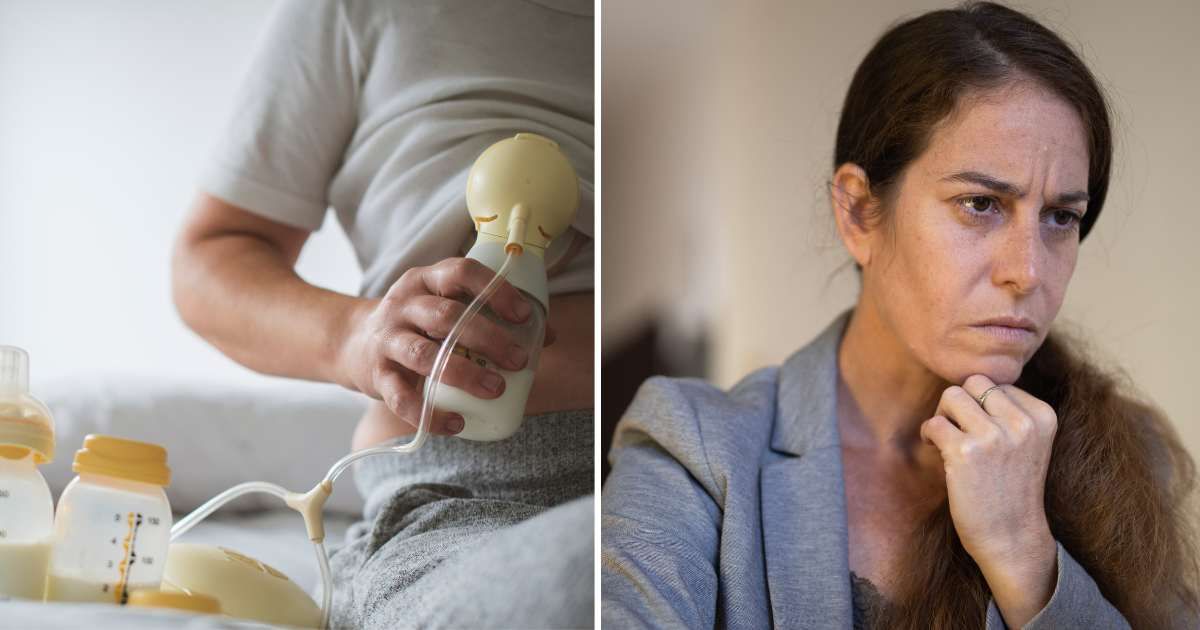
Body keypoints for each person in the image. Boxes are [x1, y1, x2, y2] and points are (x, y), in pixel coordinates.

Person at [601, 2, 1199, 629]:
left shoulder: (1127, 456)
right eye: (980, 203)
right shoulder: (695, 449)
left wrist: (1024, 553)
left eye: (1061, 217)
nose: (1028, 271)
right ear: (859, 212)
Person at [170, 1, 594, 628]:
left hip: (661, 462)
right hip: (456, 499)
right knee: (589, 576)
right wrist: (355, 337)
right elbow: (206, 263)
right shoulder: (357, 11)